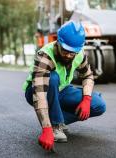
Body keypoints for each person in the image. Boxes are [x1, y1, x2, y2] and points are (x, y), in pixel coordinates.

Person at [22, 21, 106, 151]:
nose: (68, 55)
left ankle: (58, 120)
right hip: (38, 91)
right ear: (58, 42)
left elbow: (88, 76)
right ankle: (54, 126)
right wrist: (46, 129)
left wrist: (86, 99)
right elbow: (39, 94)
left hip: (63, 90)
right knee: (53, 77)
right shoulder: (45, 56)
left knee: (98, 105)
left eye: (72, 52)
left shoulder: (79, 53)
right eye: (65, 50)